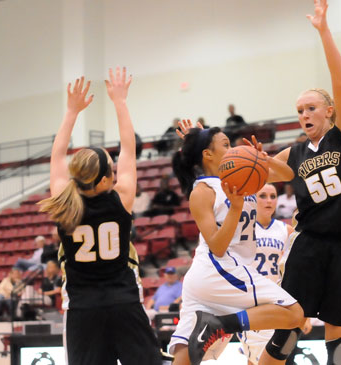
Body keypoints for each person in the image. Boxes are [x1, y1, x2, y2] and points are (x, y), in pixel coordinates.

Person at [268, 1, 341, 363]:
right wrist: (210, 149)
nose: (304, 114)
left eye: (311, 107)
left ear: (329, 110)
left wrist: (324, 31)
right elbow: (256, 172)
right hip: (309, 244)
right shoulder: (294, 154)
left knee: (340, 338)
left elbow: (340, 81)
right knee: (288, 328)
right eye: (299, 110)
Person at [37, 70, 161, 364]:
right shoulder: (121, 200)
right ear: (106, 180)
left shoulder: (64, 203)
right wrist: (120, 102)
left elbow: (56, 159)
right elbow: (129, 149)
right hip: (124, 303)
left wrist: (71, 112)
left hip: (83, 310)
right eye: (112, 167)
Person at [169, 122, 303, 365]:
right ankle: (220, 325)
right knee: (294, 314)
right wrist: (236, 209)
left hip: (206, 279)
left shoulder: (245, 175)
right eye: (226, 145)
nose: (232, 149)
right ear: (207, 154)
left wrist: (264, 159)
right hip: (221, 269)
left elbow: (288, 175)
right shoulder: (203, 191)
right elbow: (218, 247)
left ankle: (216, 325)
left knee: (184, 359)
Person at [239, 183, 302, 365]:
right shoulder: (242, 230)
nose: (269, 201)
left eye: (273, 196)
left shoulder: (287, 231)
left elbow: (297, 273)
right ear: (252, 199)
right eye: (263, 196)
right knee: (256, 359)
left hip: (280, 303)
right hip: (252, 303)